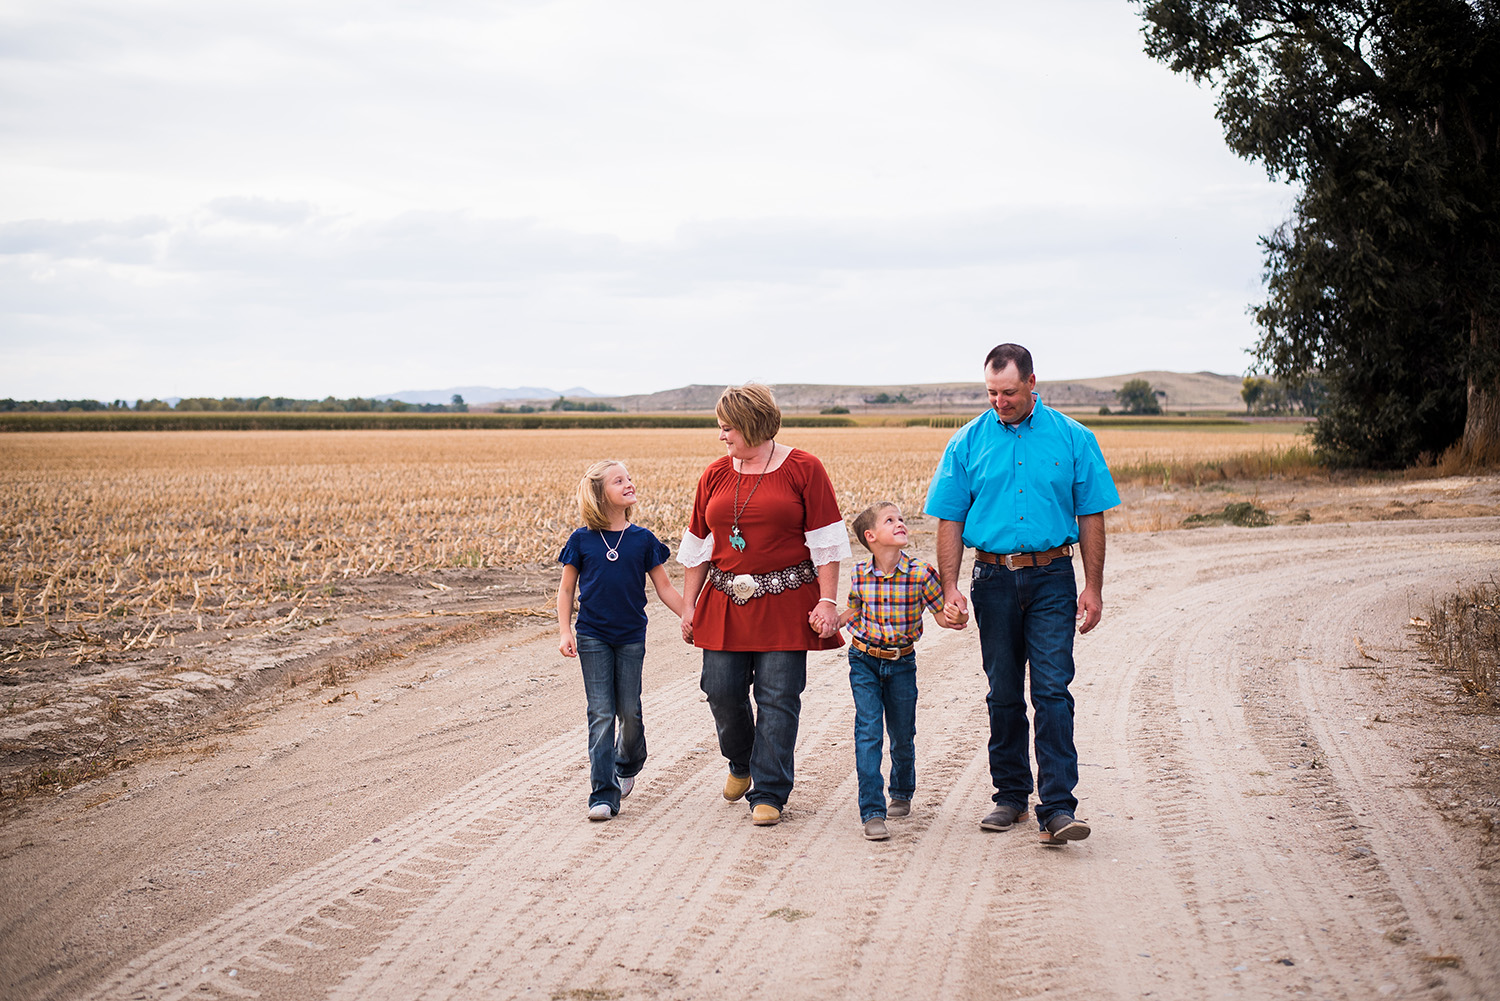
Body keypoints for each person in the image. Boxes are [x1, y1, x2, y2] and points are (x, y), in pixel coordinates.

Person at [924, 343, 1120, 846]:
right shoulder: (966, 443)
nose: (1000, 401)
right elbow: (950, 518)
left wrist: (1092, 587)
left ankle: (1057, 807)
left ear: (1034, 382)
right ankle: (1010, 796)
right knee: (1004, 692)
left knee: (1053, 690)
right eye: (991, 392)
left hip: (1053, 576)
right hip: (991, 580)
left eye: (1009, 392)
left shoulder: (1074, 438)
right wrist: (948, 586)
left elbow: (1091, 515)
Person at [677, 383, 850, 827]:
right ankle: (741, 762)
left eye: (728, 428)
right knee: (720, 689)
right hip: (724, 601)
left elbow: (827, 544)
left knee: (778, 696)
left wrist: (828, 601)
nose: (722, 437)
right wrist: (688, 606)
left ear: (753, 426)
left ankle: (770, 791)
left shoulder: (804, 469)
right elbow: (699, 545)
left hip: (787, 601)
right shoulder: (715, 474)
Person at [558, 459, 687, 821]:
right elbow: (567, 589)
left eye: (629, 478)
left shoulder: (642, 540)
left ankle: (627, 763)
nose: (629, 483)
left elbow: (664, 588)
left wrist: (691, 618)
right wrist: (565, 630)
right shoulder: (581, 540)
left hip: (631, 636)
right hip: (592, 635)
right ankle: (602, 794)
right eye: (619, 480)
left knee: (628, 712)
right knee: (600, 713)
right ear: (600, 494)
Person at [838, 501, 956, 841]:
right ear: (871, 536)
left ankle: (902, 791)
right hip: (864, 660)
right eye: (891, 520)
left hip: (902, 662)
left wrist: (956, 616)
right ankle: (872, 811)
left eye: (902, 519)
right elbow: (854, 610)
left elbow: (941, 616)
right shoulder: (859, 574)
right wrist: (835, 618)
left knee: (902, 734)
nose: (901, 523)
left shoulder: (922, 574)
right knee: (869, 731)